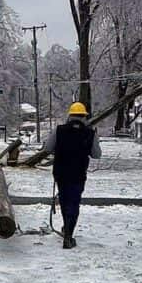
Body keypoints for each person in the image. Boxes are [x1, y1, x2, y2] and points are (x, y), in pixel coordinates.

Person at [43, 102, 101, 249]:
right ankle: (68, 233)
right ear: (84, 117)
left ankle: (67, 230)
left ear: (70, 116)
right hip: (78, 173)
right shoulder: (90, 133)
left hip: (61, 173)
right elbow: (96, 154)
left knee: (64, 201)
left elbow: (47, 148)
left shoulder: (59, 130)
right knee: (74, 202)